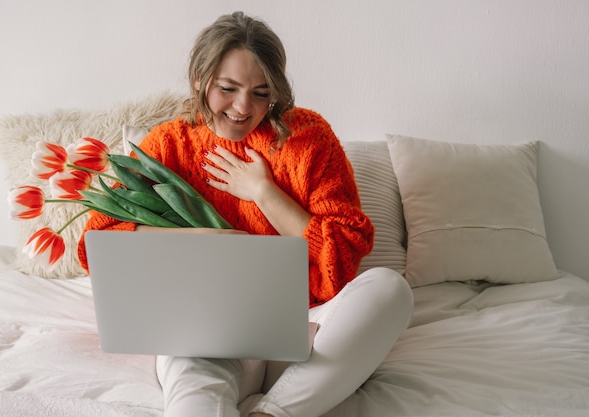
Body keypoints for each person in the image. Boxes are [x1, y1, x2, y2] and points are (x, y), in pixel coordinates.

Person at [77, 11, 413, 417]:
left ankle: (273, 412)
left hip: (309, 331)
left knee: (390, 289)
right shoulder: (172, 143)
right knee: (188, 365)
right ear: (200, 80)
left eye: (260, 92)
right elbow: (99, 241)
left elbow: (341, 255)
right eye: (228, 88)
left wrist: (264, 193)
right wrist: (207, 240)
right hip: (211, 335)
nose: (242, 107)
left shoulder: (308, 137)